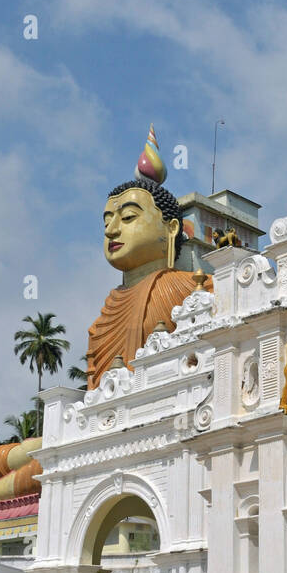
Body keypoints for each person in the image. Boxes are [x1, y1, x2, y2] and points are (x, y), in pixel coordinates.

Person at [86, 126, 212, 387]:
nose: (111, 230)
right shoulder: (103, 317)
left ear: (171, 228)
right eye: (107, 221)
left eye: (129, 217)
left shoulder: (199, 287)